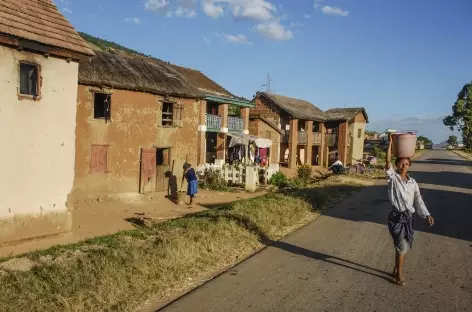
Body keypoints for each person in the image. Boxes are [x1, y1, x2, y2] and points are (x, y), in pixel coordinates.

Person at [385, 134, 434, 285]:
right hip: (396, 218)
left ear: (410, 165)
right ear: (397, 165)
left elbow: (418, 200)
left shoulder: (412, 182)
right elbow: (387, 162)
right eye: (401, 163)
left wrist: (427, 214)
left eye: (406, 163)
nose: (403, 165)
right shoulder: (393, 178)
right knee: (401, 247)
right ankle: (399, 274)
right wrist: (391, 143)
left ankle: (396, 268)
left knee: (403, 247)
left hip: (409, 218)